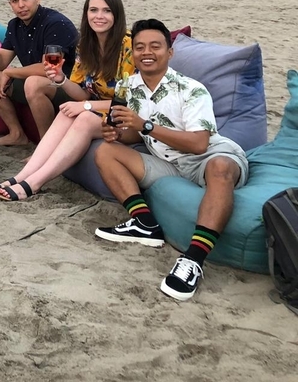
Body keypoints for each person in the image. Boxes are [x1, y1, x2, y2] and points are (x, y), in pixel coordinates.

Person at [92, 19, 248, 301]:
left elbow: (199, 144)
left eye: (155, 46)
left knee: (221, 167)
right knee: (105, 150)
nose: (146, 52)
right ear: (132, 53)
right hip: (167, 162)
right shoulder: (129, 86)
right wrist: (117, 133)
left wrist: (145, 125)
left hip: (208, 157)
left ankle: (193, 259)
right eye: (139, 47)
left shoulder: (191, 89)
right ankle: (144, 223)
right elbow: (133, 134)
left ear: (170, 52)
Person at [0, 0, 134, 201]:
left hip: (127, 117)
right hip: (98, 109)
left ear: (117, 15)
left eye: (106, 11)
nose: (99, 16)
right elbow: (83, 94)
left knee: (82, 116)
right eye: (93, 10)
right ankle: (20, 177)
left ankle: (33, 184)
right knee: (67, 111)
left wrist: (86, 107)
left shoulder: (128, 46)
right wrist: (61, 79)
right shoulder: (86, 44)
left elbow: (128, 103)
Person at [0, 0, 79, 145]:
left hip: (69, 87)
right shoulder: (15, 25)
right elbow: (1, 61)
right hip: (37, 83)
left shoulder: (56, 24)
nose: (21, 5)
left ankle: (46, 145)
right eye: (15, 1)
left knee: (33, 83)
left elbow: (50, 69)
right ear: (10, 4)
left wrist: (11, 72)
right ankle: (17, 134)